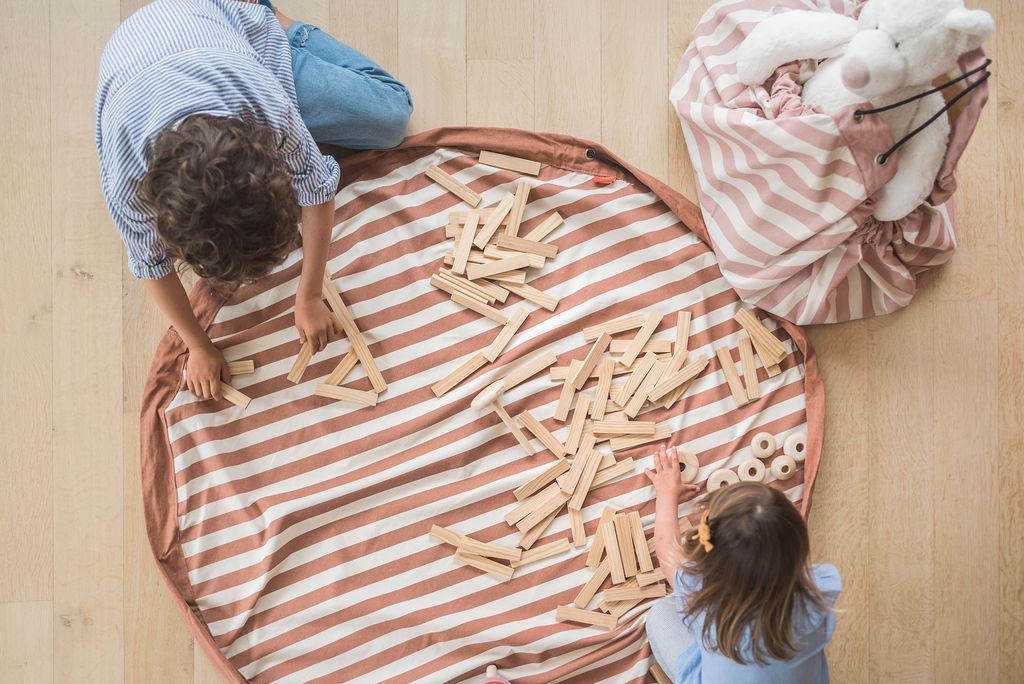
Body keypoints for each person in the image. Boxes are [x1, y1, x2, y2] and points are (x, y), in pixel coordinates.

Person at [95, 0, 412, 400]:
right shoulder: (128, 182)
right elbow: (151, 266)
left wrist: (310, 293)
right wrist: (198, 345)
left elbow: (316, 191)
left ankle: (273, 18)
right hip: (145, 61)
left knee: (392, 115)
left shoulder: (265, 103)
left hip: (235, 32)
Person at [644, 446, 841, 683]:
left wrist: (666, 493)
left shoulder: (703, 599)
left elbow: (666, 546)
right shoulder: (819, 593)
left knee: (659, 616)